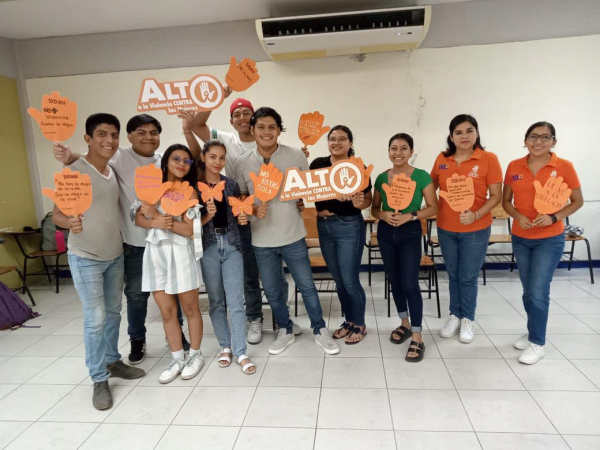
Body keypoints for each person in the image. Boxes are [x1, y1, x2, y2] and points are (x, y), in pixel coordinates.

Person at [53, 114, 190, 365]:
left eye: (153, 132)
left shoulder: (165, 161)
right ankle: (137, 339)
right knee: (137, 296)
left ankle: (178, 335)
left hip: (166, 241)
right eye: (141, 132)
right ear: (129, 136)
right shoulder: (119, 156)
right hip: (133, 242)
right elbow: (89, 159)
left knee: (173, 291)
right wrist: (67, 154)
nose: (148, 137)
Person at [51, 113, 145, 410]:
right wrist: (70, 224)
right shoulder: (72, 172)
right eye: (102, 134)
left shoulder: (112, 170)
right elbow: (57, 215)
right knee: (96, 319)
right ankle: (98, 378)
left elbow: (99, 164)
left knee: (115, 312)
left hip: (114, 254)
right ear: (88, 138)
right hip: (85, 256)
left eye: (114, 135)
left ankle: (112, 360)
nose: (109, 140)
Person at [233, 107, 339, 355]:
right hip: (261, 240)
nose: (266, 132)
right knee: (271, 290)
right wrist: (250, 211)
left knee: (307, 285)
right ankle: (285, 328)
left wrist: (303, 199)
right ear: (252, 129)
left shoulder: (296, 156)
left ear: (279, 130)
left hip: (293, 235)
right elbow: (242, 199)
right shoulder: (242, 162)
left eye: (272, 127)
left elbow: (305, 191)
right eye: (261, 127)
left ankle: (319, 329)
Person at [187, 98, 293, 345]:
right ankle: (255, 317)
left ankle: (284, 320)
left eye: (247, 113)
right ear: (231, 120)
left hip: (267, 217)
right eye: (237, 114)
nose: (243, 117)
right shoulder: (226, 139)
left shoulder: (268, 140)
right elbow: (197, 124)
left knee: (275, 273)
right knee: (248, 275)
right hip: (238, 215)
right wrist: (218, 94)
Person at [503, 121, 583, 365]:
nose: (538, 142)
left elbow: (577, 201)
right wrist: (518, 217)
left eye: (545, 137)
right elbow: (506, 201)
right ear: (525, 140)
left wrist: (554, 217)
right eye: (533, 137)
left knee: (538, 291)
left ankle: (537, 343)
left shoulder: (564, 167)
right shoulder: (514, 166)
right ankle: (532, 332)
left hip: (549, 238)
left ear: (554, 142)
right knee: (529, 291)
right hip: (521, 237)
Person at [134, 144, 205, 383]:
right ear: (165, 162)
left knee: (190, 309)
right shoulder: (151, 187)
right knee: (167, 312)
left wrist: (157, 217)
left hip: (182, 254)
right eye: (177, 159)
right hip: (155, 253)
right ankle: (176, 357)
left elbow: (190, 231)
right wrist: (154, 220)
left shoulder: (191, 193)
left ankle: (195, 354)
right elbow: (138, 219)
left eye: (187, 161)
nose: (182, 164)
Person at [430, 114, 502, 344]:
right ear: (451, 136)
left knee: (468, 276)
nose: (464, 136)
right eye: (458, 132)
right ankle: (454, 315)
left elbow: (497, 195)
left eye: (469, 131)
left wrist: (476, 214)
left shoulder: (488, 158)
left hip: (476, 228)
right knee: (453, 274)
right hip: (446, 227)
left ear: (477, 133)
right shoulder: (442, 158)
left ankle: (468, 318)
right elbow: (430, 186)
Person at [371, 133, 438, 362]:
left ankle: (418, 335)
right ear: (388, 151)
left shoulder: (421, 176)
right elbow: (374, 209)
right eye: (393, 148)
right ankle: (405, 323)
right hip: (386, 232)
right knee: (395, 280)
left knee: (410, 283)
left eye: (403, 148)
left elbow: (433, 207)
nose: (398, 153)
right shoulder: (381, 178)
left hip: (409, 231)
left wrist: (411, 215)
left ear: (411, 152)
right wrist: (383, 214)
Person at [309, 125, 372, 344]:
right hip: (324, 225)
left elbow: (367, 199)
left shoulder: (357, 166)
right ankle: (349, 321)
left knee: (350, 280)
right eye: (332, 139)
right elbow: (307, 188)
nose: (336, 142)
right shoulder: (318, 164)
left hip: (348, 225)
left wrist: (359, 201)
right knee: (338, 279)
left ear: (350, 143)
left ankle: (360, 324)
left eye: (342, 139)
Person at [198, 140, 256, 374]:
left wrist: (243, 218)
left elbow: (240, 213)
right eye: (213, 157)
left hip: (231, 245)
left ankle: (241, 351)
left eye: (222, 157)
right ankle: (225, 346)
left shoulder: (230, 185)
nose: (217, 162)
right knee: (216, 300)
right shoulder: (194, 187)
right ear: (203, 157)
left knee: (236, 299)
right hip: (208, 246)